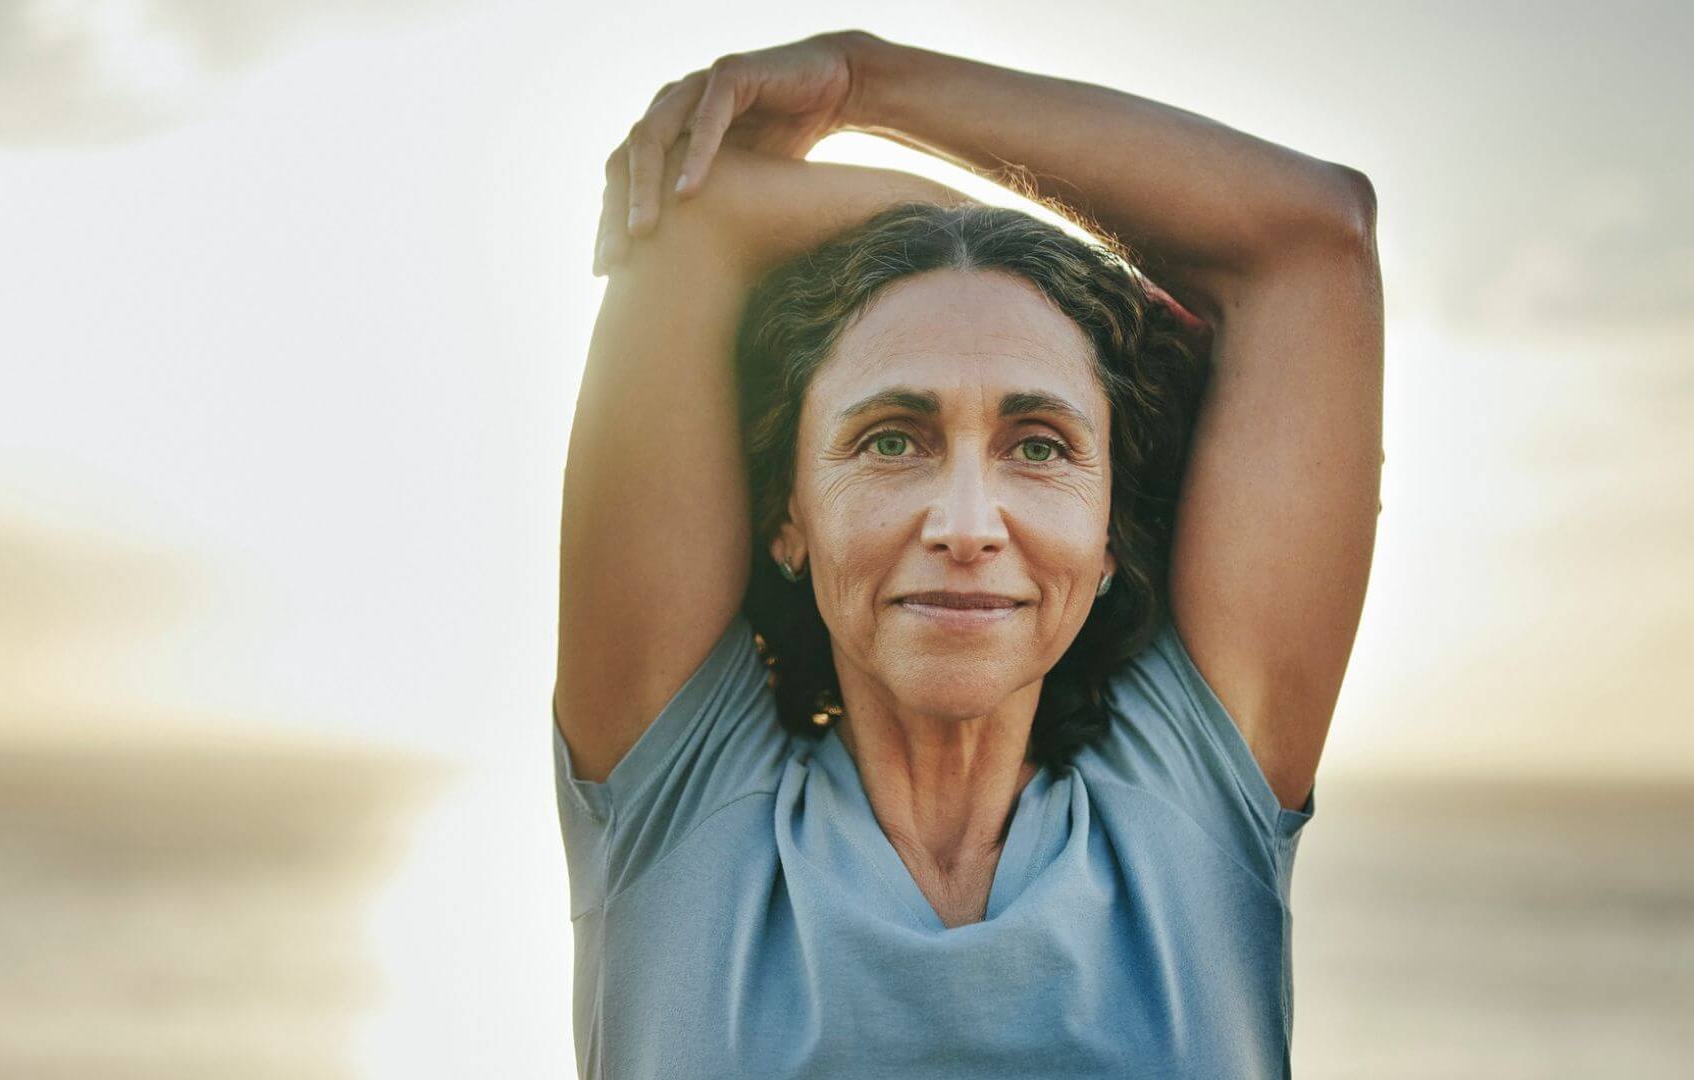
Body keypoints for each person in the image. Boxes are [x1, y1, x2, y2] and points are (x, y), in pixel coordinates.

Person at [553, 29, 1381, 1079]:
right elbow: (698, 221)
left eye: (1039, 447)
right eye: (891, 440)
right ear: (789, 517)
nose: (967, 523)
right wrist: (968, 241)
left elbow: (1316, 235)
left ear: (1112, 530)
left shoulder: (1191, 805)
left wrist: (864, 78)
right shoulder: (682, 816)